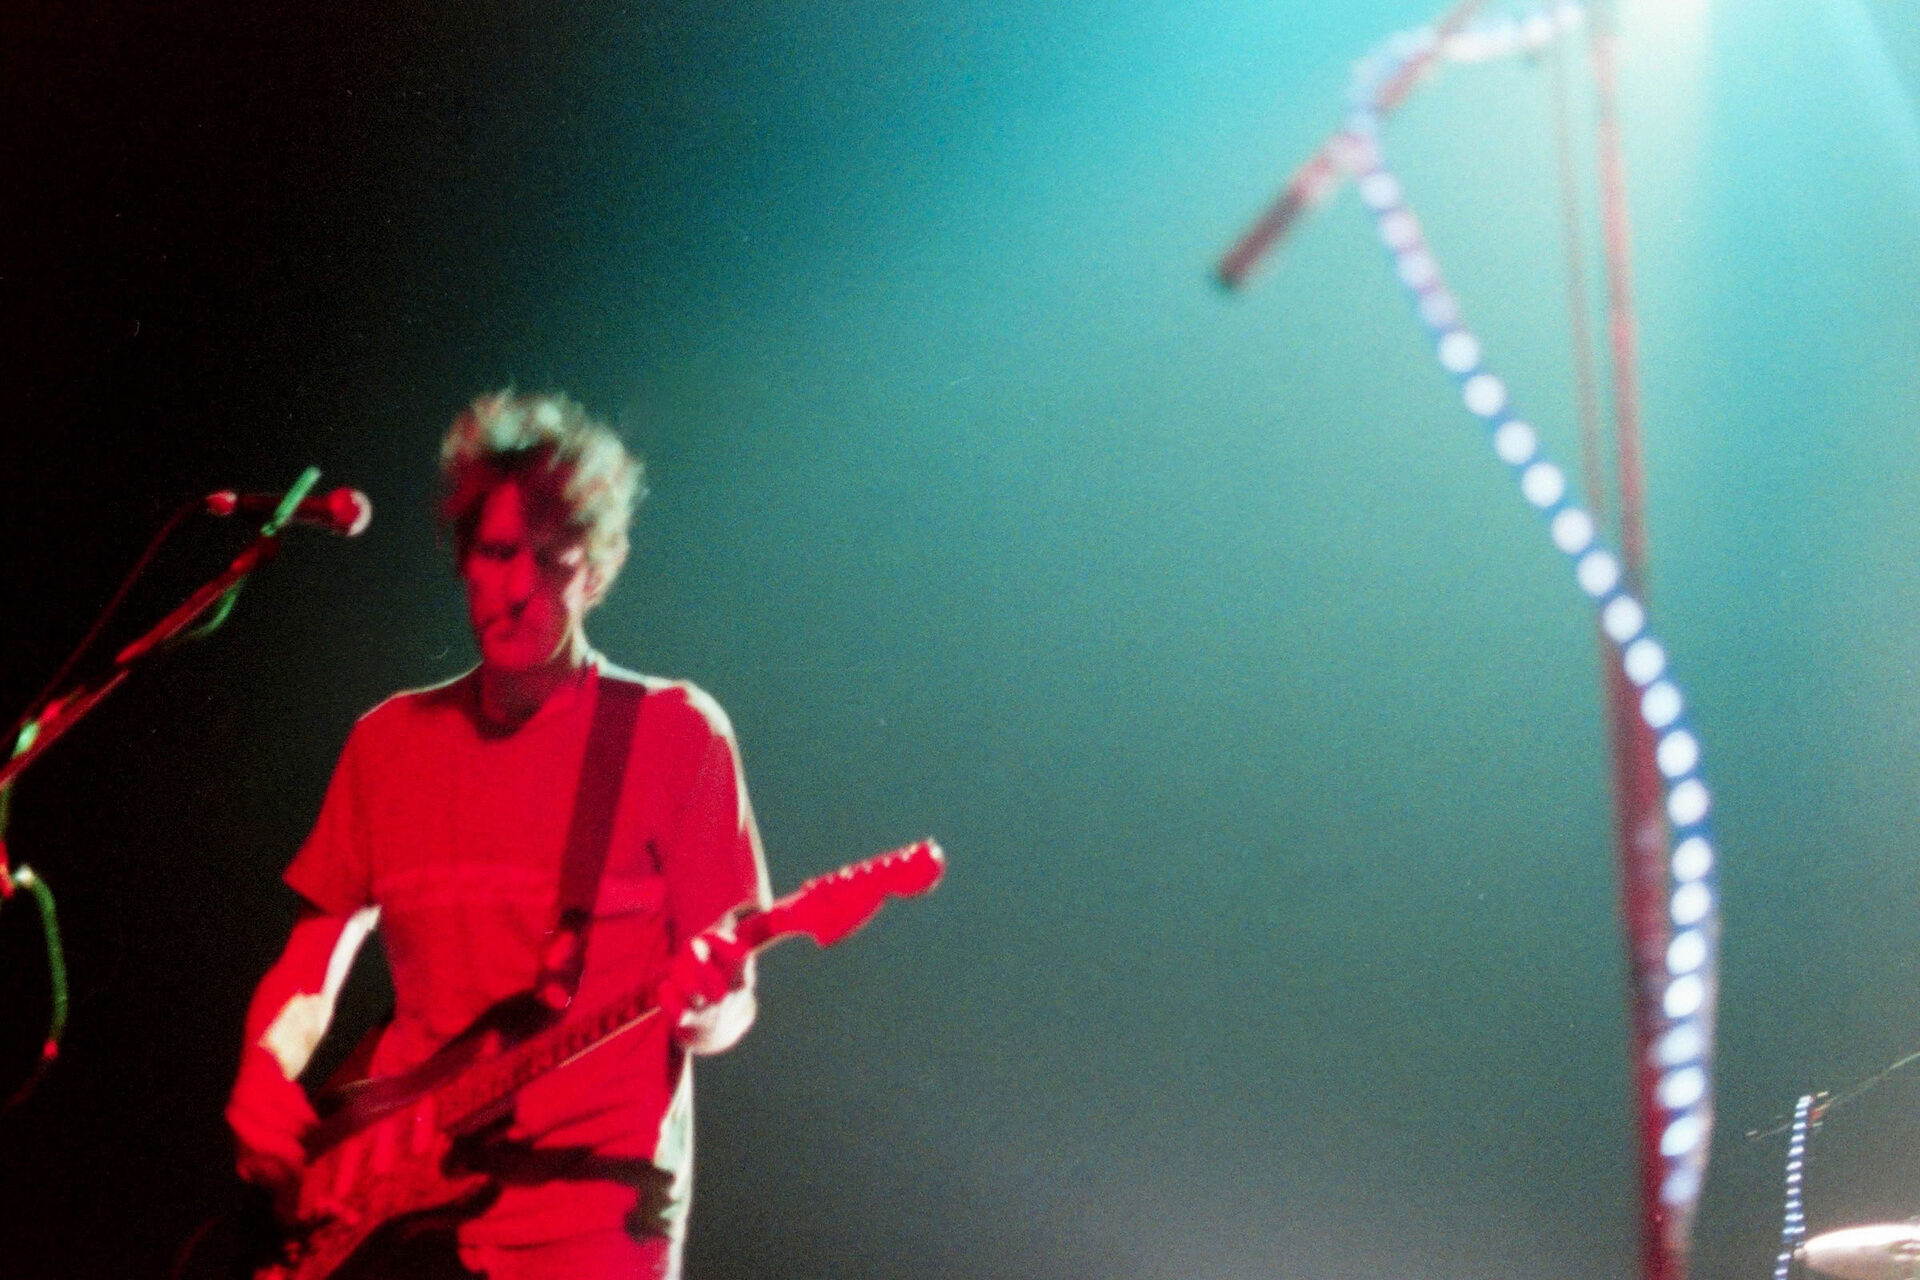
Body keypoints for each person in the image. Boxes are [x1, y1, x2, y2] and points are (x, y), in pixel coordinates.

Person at [224, 391, 771, 1280]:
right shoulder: (387, 744)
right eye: (496, 553)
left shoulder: (674, 735)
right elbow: (309, 972)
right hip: (391, 1213)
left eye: (550, 562)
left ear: (595, 573)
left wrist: (708, 1003)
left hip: (592, 1222)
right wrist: (261, 1071)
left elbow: (731, 1003)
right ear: (463, 559)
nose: (516, 589)